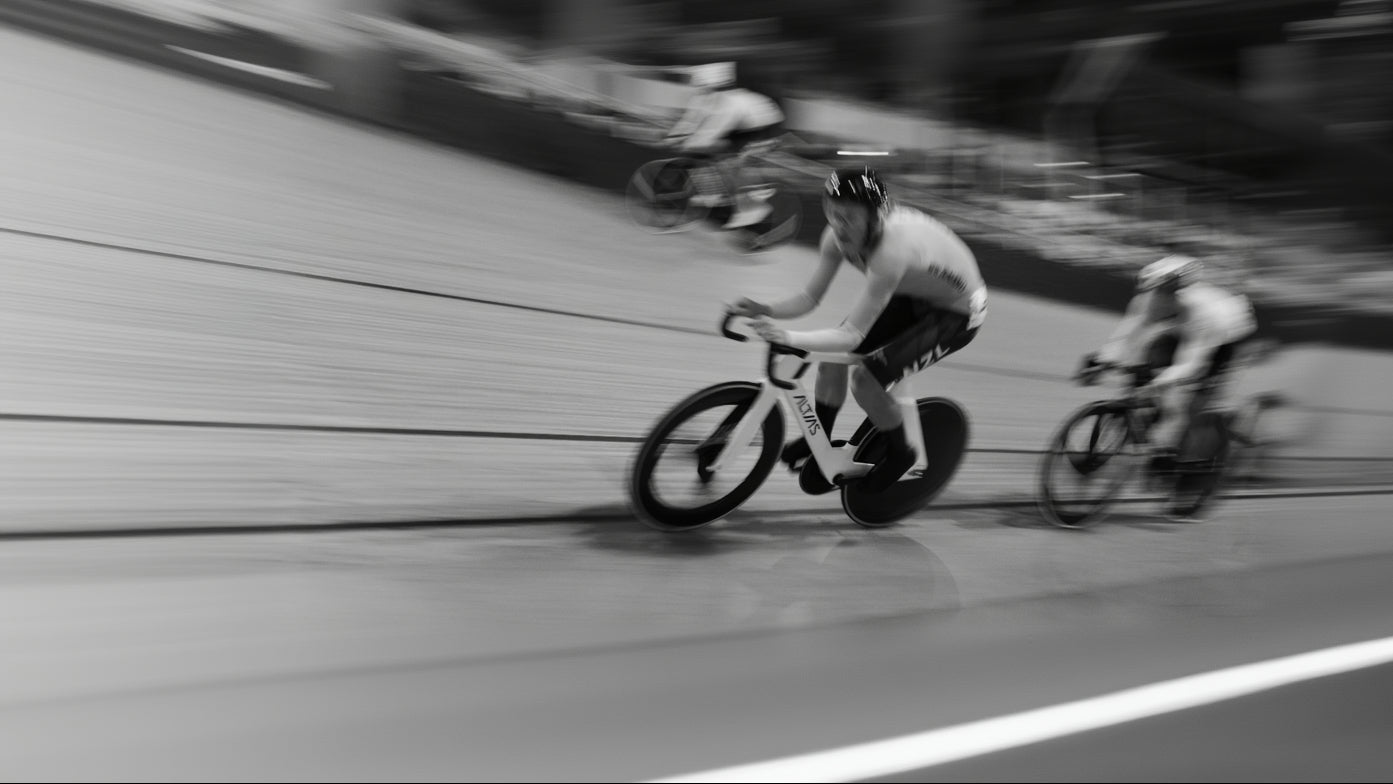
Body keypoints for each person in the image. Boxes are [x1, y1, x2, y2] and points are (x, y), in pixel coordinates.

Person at [728, 167, 988, 494]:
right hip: (919, 293)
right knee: (830, 357)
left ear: (876, 220)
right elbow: (809, 298)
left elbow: (852, 335)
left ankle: (901, 455)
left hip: (960, 312)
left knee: (866, 381)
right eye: (833, 214)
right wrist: (764, 308)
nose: (839, 226)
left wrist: (789, 338)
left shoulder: (890, 254)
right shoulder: (836, 237)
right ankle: (817, 438)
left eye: (849, 218)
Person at [1079, 252, 1258, 474]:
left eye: (1166, 292)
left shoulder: (1202, 314)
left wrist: (1161, 383)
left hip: (1223, 337)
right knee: (1148, 366)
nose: (1157, 298)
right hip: (1181, 331)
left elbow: (1191, 363)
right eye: (1156, 291)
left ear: (1180, 292)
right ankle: (1153, 423)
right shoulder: (1149, 298)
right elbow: (1126, 336)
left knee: (1192, 400)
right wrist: (1102, 360)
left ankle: (1182, 453)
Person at [663, 62, 786, 230]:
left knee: (735, 161)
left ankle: (750, 208)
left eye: (702, 86)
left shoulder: (728, 102)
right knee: (707, 153)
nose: (698, 90)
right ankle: (717, 196)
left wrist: (691, 143)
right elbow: (691, 119)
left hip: (763, 127)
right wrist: (674, 136)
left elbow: (713, 130)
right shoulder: (702, 97)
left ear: (712, 86)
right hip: (741, 126)